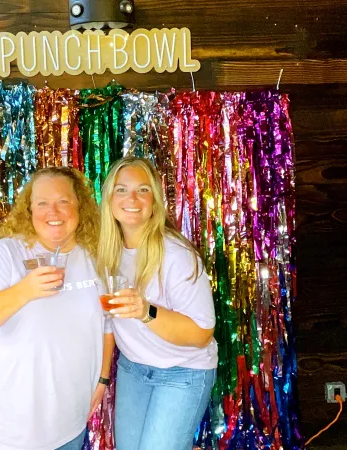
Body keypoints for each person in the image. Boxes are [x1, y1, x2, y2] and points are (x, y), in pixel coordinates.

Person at [0, 167, 115, 450]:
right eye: (42, 203)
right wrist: (23, 291)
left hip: (68, 425)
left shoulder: (92, 258)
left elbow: (106, 323)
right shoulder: (5, 254)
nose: (53, 211)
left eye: (63, 201)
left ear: (80, 206)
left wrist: (102, 379)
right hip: (7, 432)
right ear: (29, 209)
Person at [96, 156, 218, 450]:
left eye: (143, 190)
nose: (132, 198)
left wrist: (145, 311)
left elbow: (202, 334)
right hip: (133, 370)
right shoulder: (105, 252)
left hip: (183, 372)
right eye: (121, 190)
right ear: (110, 200)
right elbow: (108, 323)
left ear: (155, 200)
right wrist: (101, 379)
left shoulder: (176, 255)